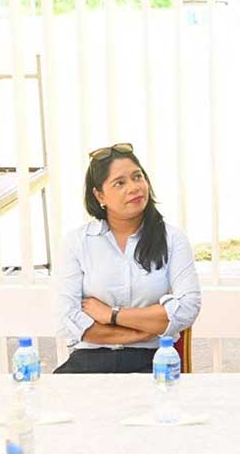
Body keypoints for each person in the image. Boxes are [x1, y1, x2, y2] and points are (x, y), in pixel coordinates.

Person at [54, 143, 201, 373]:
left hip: (153, 363)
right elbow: (68, 320)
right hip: (88, 361)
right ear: (99, 195)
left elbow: (186, 310)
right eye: (120, 183)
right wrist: (144, 330)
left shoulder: (172, 239)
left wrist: (111, 315)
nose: (134, 188)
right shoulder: (77, 242)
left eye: (137, 177)